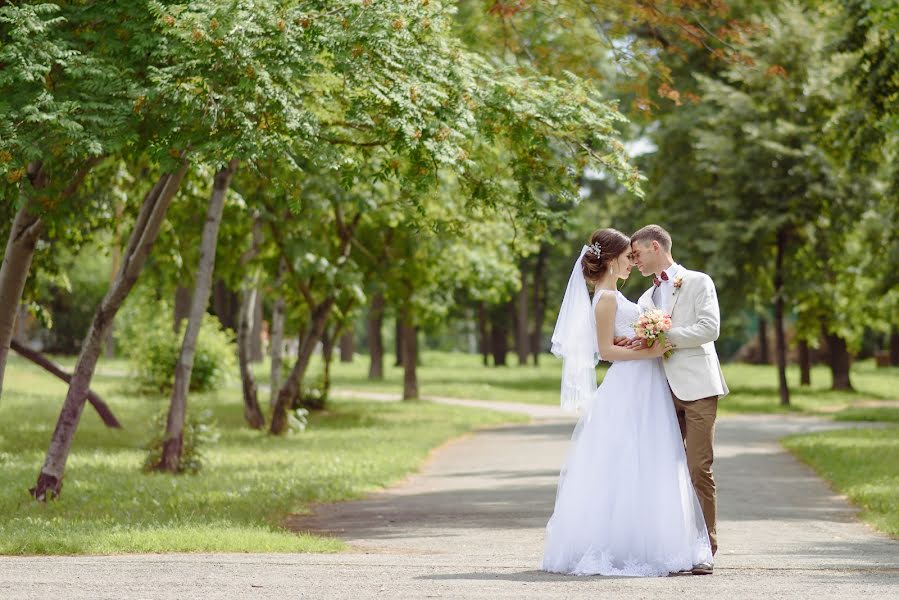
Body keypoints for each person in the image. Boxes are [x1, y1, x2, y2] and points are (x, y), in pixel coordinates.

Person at [541, 228, 712, 577]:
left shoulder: (618, 296)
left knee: (650, 462)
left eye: (635, 256)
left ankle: (654, 540)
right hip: (630, 385)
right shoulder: (606, 299)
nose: (633, 263)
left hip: (648, 384)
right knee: (628, 462)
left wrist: (645, 341)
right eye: (627, 257)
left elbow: (622, 341)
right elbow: (606, 352)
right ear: (611, 259)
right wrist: (652, 348)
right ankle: (628, 545)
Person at [629, 224, 728, 569]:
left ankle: (706, 551)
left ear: (655, 247)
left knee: (698, 467)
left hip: (698, 386)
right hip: (661, 390)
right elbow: (648, 342)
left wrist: (666, 337)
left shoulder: (699, 281)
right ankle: (674, 547)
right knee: (664, 470)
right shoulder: (645, 298)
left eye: (637, 254)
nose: (634, 261)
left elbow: (709, 328)